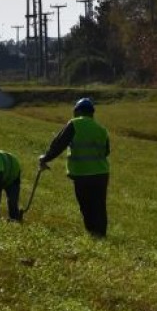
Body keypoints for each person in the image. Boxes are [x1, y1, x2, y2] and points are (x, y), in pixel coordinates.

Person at [39, 97, 110, 237]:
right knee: (99, 205)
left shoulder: (74, 124)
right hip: (101, 173)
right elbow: (106, 151)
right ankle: (101, 234)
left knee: (85, 204)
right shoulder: (102, 129)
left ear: (77, 111)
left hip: (82, 173)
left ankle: (92, 232)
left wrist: (45, 158)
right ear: (92, 113)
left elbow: (59, 144)